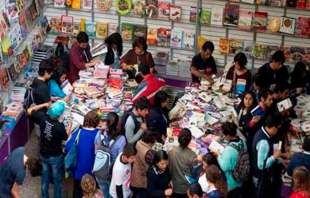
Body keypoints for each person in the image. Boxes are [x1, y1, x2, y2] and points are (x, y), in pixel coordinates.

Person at [27, 101, 72, 198]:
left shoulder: (43, 118)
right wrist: (69, 126)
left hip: (43, 154)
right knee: (57, 180)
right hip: (55, 156)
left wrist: (43, 104)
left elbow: (30, 110)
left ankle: (44, 196)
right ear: (60, 115)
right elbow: (65, 137)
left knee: (45, 177)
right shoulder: (59, 126)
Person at [65, 111, 101, 198]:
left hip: (79, 171)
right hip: (93, 171)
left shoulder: (78, 132)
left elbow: (67, 148)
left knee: (77, 191)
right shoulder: (99, 134)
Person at [94, 112, 126, 198]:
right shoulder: (121, 139)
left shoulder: (99, 134)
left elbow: (95, 151)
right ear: (117, 125)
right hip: (112, 175)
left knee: (105, 195)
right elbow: (121, 159)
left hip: (99, 171)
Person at [252, 113, 284, 198]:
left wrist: (280, 160)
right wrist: (274, 157)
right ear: (273, 128)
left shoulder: (262, 131)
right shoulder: (264, 143)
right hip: (261, 178)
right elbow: (261, 165)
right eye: (278, 128)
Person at [215, 122, 246, 197]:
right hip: (241, 174)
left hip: (232, 182)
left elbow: (224, 167)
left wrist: (218, 155)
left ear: (228, 135)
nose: (224, 136)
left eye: (224, 134)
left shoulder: (229, 150)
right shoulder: (242, 140)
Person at [168, 128, 200, 198]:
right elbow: (194, 174)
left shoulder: (171, 152)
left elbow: (169, 168)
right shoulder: (192, 155)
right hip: (186, 188)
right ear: (189, 141)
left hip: (174, 186)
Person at [131, 129, 158, 198]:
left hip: (137, 172)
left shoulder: (139, 142)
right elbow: (155, 164)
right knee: (144, 194)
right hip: (143, 177)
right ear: (151, 141)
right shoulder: (148, 153)